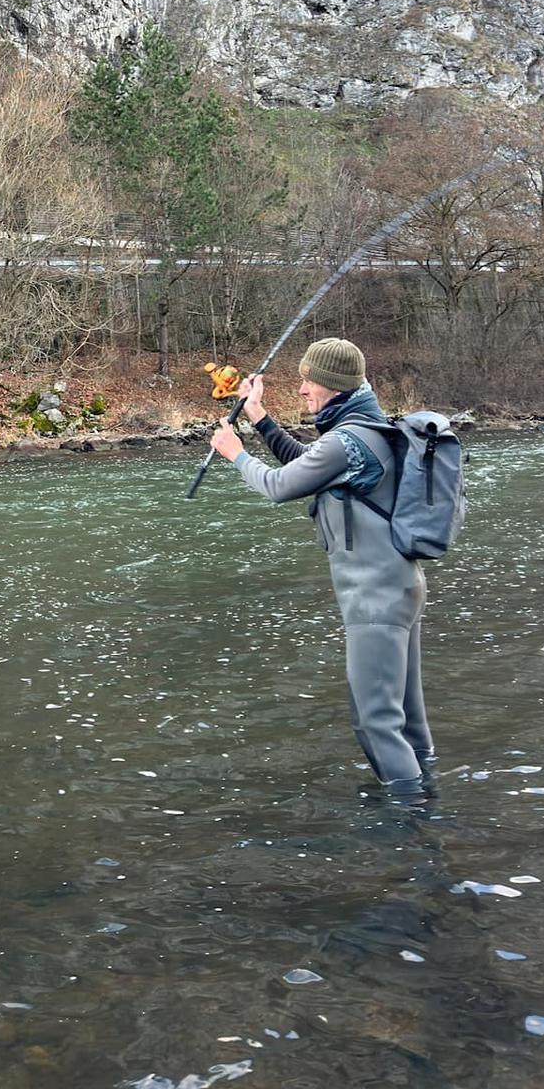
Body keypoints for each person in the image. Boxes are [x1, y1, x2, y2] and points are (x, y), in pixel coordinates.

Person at [210, 336, 435, 798]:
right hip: (400, 588)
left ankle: (412, 819)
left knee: (375, 722)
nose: (300, 390)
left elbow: (278, 485)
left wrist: (235, 451)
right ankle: (427, 794)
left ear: (331, 385)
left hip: (375, 598)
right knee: (406, 719)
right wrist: (258, 416)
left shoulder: (345, 440)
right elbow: (304, 463)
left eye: (307, 381)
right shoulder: (366, 428)